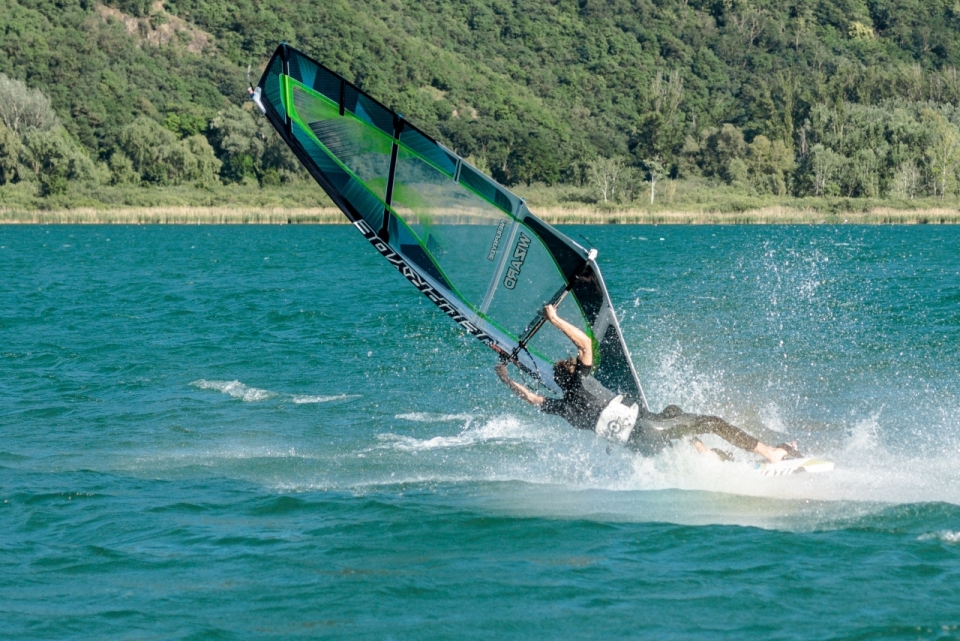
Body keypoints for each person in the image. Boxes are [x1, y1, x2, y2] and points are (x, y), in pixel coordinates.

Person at [495, 304, 801, 463]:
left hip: (641, 449)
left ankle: (707, 456)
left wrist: (507, 379)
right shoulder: (583, 381)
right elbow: (586, 343)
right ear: (574, 373)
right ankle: (770, 453)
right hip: (649, 431)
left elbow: (532, 399)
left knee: (672, 411)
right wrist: (554, 319)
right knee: (711, 421)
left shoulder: (563, 408)